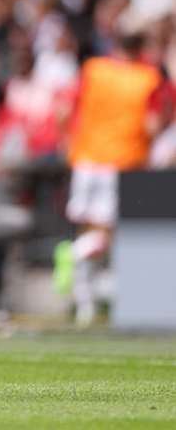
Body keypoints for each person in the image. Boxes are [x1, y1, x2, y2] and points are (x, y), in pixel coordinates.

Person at [58, 29, 163, 326]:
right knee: (107, 234)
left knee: (89, 228)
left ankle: (85, 306)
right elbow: (152, 124)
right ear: (142, 47)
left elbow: (64, 110)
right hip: (121, 162)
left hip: (86, 159)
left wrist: (68, 143)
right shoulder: (149, 77)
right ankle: (76, 259)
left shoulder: (94, 70)